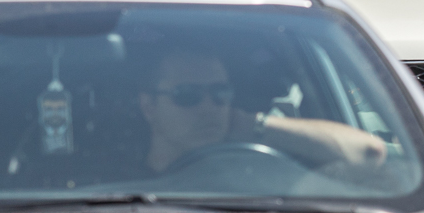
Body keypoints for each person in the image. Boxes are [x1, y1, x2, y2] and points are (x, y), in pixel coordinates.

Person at [138, 48, 386, 175]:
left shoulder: (263, 176)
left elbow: (368, 152)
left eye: (220, 93)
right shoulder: (109, 182)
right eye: (187, 95)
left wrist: (253, 125)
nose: (208, 107)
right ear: (148, 106)